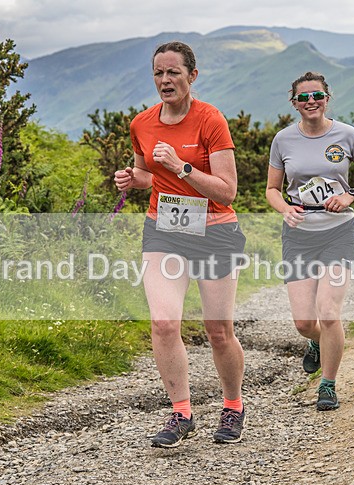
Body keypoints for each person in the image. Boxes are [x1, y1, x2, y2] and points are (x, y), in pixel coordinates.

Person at [114, 41, 247, 448]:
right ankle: (181, 413)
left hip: (214, 230)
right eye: (158, 72)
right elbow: (148, 174)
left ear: (192, 75)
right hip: (164, 229)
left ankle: (232, 406)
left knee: (218, 330)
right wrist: (133, 179)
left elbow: (227, 191)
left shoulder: (211, 120)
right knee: (164, 323)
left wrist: (182, 166)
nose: (165, 80)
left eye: (173, 72)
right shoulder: (141, 123)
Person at [266, 71, 354, 411]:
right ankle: (317, 342)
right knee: (305, 323)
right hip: (298, 235)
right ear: (294, 103)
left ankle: (328, 385)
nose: (311, 101)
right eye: (303, 97)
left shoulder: (348, 135)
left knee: (329, 312)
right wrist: (284, 209)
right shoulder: (283, 140)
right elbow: (272, 189)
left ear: (327, 98)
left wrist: (349, 196)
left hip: (338, 232)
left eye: (317, 95)